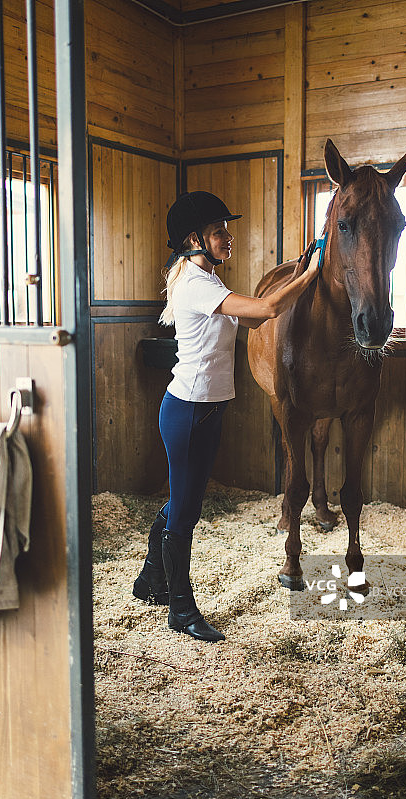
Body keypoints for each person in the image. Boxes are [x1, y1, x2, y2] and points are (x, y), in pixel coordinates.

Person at [133, 190, 320, 643]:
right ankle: (180, 609)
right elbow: (267, 308)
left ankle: (150, 580)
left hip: (206, 409)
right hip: (188, 410)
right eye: (220, 232)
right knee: (186, 510)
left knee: (187, 503)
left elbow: (254, 322)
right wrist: (311, 273)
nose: (228, 238)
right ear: (195, 239)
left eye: (226, 231)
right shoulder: (196, 285)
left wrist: (297, 269)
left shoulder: (210, 282)